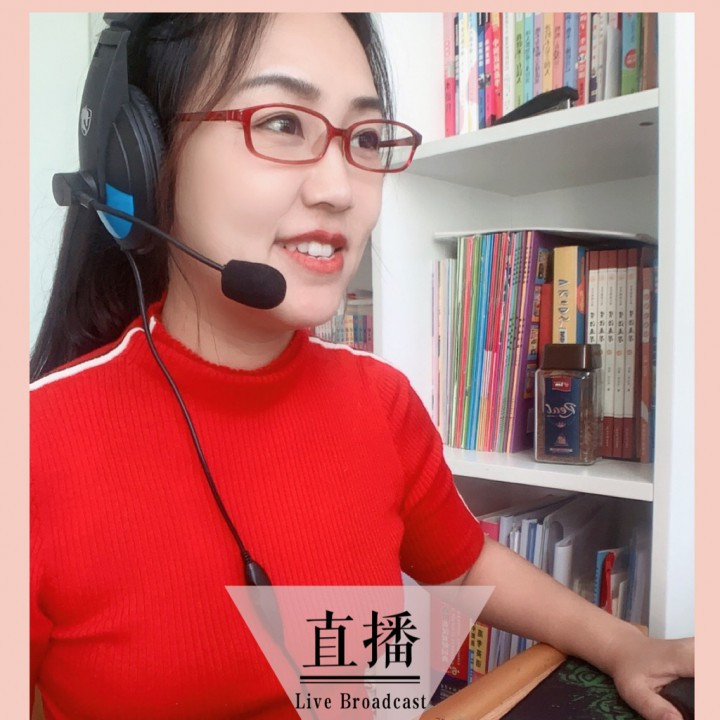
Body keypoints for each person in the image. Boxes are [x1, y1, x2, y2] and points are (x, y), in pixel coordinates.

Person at [30, 12, 693, 720]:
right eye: (282, 124)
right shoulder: (35, 447)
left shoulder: (380, 403)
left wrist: (622, 644)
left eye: (366, 138)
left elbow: (464, 564)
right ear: (140, 159)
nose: (340, 189)